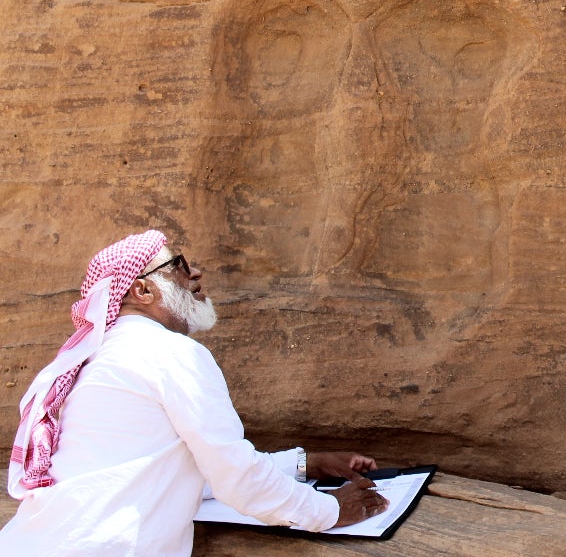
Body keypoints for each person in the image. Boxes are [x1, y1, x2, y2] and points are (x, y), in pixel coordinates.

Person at [2, 229, 389, 554]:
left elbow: (173, 474)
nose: (195, 273)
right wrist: (329, 510)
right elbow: (236, 476)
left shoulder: (104, 357)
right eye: (179, 266)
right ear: (142, 290)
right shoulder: (166, 351)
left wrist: (305, 464)